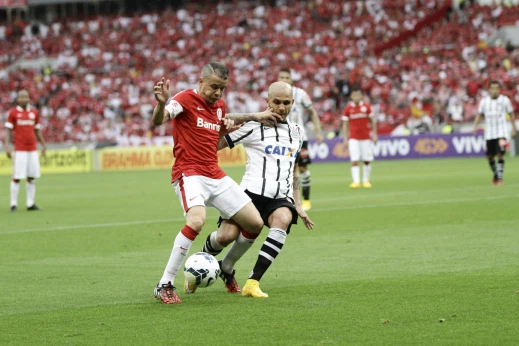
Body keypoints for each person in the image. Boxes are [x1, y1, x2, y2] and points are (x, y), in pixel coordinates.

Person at [151, 61, 282, 305]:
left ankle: (227, 267)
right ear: (200, 82)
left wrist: (230, 127)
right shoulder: (184, 99)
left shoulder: (219, 106)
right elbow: (160, 119)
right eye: (214, 87)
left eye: (222, 88)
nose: (218, 93)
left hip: (214, 174)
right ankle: (165, 283)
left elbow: (216, 133)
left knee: (255, 223)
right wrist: (161, 103)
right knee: (197, 220)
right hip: (189, 173)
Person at [201, 81, 314, 298]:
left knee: (282, 219)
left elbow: (294, 169)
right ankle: (205, 263)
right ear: (268, 102)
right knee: (226, 236)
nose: (282, 107)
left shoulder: (297, 132)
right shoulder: (253, 126)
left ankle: (253, 282)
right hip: (249, 196)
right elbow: (215, 146)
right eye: (277, 102)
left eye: (286, 103)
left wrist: (297, 203)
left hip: (279, 198)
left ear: (292, 104)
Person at [278, 68, 323, 211]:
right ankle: (289, 199)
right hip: (281, 137)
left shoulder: (300, 94)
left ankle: (306, 198)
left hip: (299, 137)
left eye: (287, 77)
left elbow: (312, 112)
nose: (284, 80)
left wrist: (318, 131)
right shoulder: (273, 94)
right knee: (285, 170)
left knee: (302, 168)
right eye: (282, 77)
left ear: (291, 80)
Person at [4, 90, 47, 212]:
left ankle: (30, 203)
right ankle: (13, 204)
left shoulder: (34, 113)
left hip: (32, 149)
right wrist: (7, 146)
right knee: (17, 176)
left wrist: (43, 145)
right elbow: (8, 131)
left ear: (29, 99)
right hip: (20, 150)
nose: (24, 99)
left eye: (26, 97)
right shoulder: (13, 113)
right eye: (22, 97)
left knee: (31, 176)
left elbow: (37, 130)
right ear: (18, 99)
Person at [472, 81, 517, 185]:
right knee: (490, 156)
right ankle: (496, 175)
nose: (495, 90)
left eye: (497, 88)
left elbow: (511, 114)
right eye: (492, 88)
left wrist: (514, 129)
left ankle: (500, 179)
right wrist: (475, 126)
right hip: (489, 133)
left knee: (500, 154)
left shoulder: (505, 100)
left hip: (502, 131)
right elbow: (479, 115)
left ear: (499, 89)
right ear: (489, 90)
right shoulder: (484, 101)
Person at [342, 87, 378, 188]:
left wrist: (375, 134)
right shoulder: (348, 108)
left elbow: (373, 121)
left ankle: (366, 180)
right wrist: (345, 138)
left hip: (366, 138)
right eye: (354, 95)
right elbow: (345, 124)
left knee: (367, 159)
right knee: (354, 159)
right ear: (351, 96)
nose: (356, 97)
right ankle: (356, 181)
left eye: (358, 95)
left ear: (361, 96)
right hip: (353, 138)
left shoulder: (366, 107)